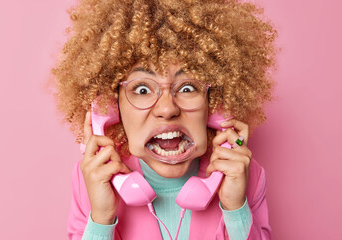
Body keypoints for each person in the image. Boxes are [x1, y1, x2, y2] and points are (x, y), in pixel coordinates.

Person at [51, 0, 277, 239]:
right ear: (112, 107)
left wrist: (235, 210)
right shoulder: (94, 179)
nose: (168, 109)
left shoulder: (246, 176)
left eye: (188, 87)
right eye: (142, 90)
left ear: (215, 104)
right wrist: (101, 220)